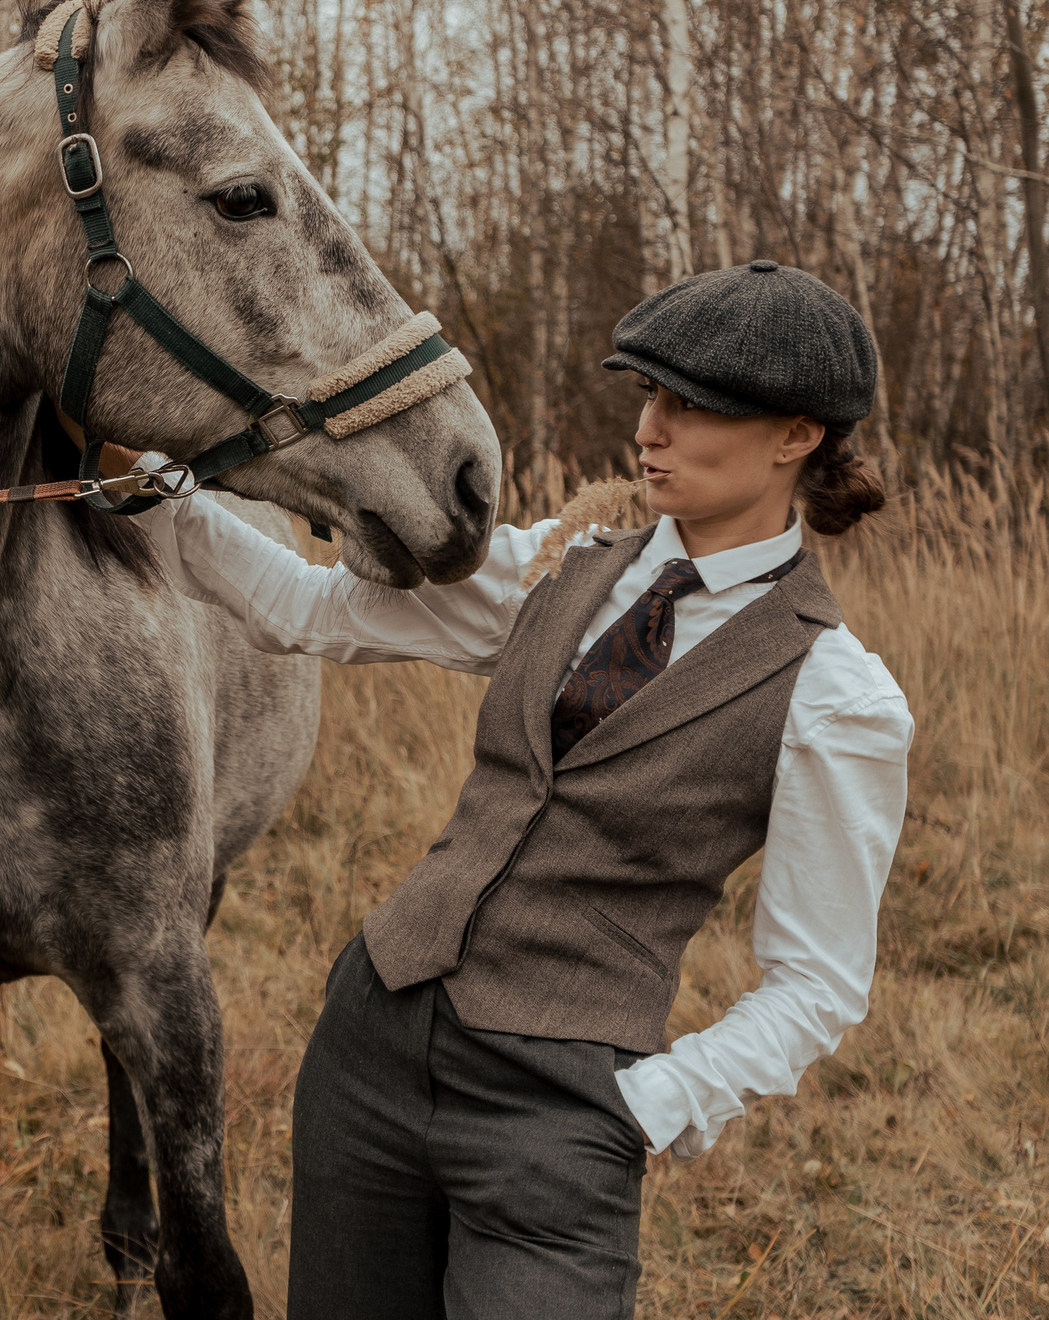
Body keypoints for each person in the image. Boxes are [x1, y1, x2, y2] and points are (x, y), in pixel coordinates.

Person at [152, 260, 911, 1319]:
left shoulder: (837, 695)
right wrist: (153, 490)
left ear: (796, 435)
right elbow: (307, 607)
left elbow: (818, 980)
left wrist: (651, 1103)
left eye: (690, 407)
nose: (647, 430)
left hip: (559, 1117)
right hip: (369, 1049)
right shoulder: (557, 563)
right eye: (647, 396)